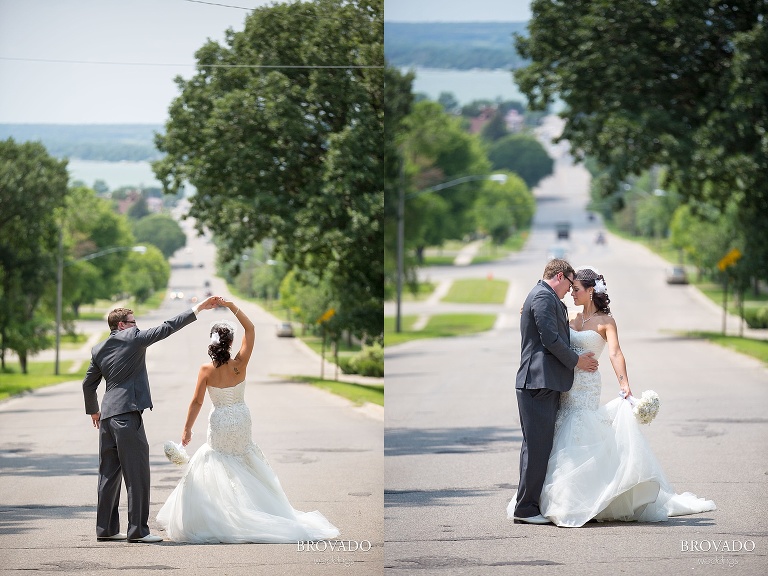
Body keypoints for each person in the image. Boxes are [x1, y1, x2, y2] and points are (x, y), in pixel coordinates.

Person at [522, 267, 716, 527]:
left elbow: (615, 353)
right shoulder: (570, 318)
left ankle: (579, 500)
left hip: (587, 386)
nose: (572, 294)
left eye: (576, 290)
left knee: (579, 433)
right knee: (558, 437)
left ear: (590, 291)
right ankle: (547, 500)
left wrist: (625, 385)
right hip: (564, 387)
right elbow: (551, 334)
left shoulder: (606, 322)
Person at [156, 298, 339, 543]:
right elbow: (251, 329)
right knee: (243, 459)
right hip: (241, 417)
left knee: (218, 460)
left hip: (220, 419)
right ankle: (257, 511)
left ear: (211, 342)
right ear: (230, 342)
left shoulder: (205, 370)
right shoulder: (239, 365)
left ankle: (224, 516)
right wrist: (232, 306)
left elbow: (197, 402)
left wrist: (187, 429)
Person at [82, 296, 220, 543]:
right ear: (122, 325)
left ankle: (106, 529)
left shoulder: (98, 349)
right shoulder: (133, 338)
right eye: (133, 322)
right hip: (126, 416)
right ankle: (138, 531)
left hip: (107, 420)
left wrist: (94, 410)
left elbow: (88, 384)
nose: (137, 325)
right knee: (137, 474)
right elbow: (168, 326)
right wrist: (198, 308)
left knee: (108, 474)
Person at [510, 259, 599, 524]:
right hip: (538, 382)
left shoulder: (545, 298)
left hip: (545, 382)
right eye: (569, 284)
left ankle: (529, 503)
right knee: (536, 447)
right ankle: (525, 508)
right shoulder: (542, 297)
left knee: (538, 446)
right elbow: (550, 339)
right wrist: (577, 361)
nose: (569, 292)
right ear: (560, 276)